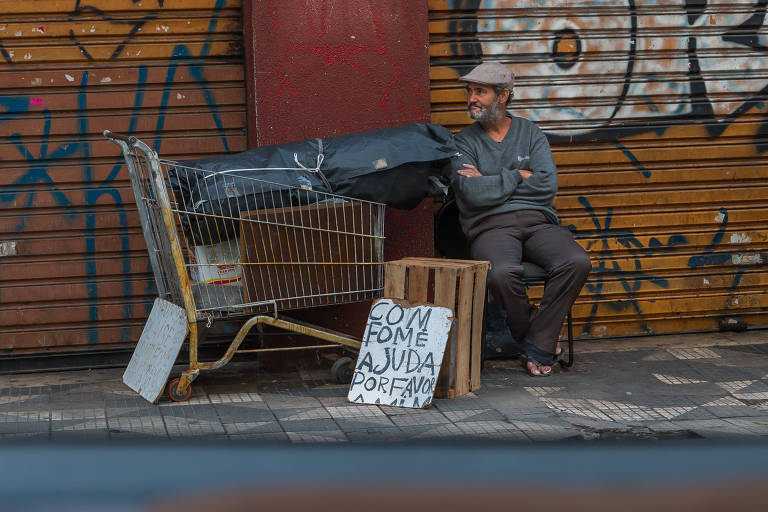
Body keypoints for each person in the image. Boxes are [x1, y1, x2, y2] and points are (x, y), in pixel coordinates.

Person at [450, 62, 591, 377]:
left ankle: (537, 341)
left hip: (538, 220)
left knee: (576, 261)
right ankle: (540, 342)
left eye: (480, 92)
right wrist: (518, 175)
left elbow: (546, 184)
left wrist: (490, 178)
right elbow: (470, 192)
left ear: (502, 96)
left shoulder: (530, 133)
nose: (471, 98)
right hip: (490, 225)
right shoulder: (462, 143)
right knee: (501, 273)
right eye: (469, 91)